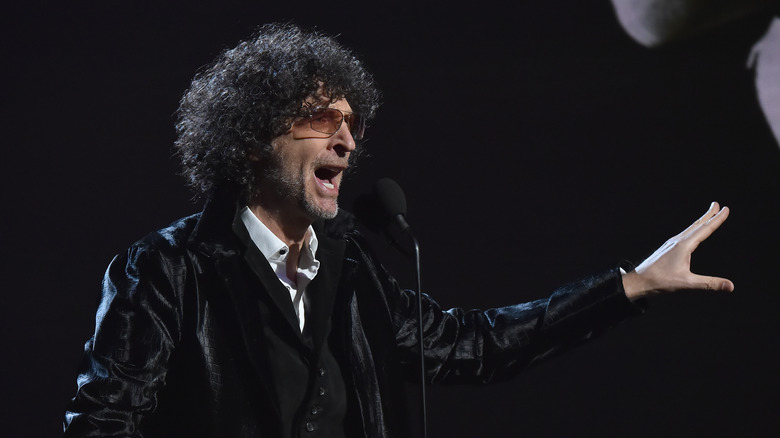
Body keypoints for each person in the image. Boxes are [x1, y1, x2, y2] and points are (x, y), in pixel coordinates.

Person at [62, 23, 734, 438]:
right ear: (248, 142)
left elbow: (475, 345)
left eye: (353, 124)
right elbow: (103, 424)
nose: (348, 141)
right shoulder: (167, 270)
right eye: (323, 119)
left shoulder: (350, 270)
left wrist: (631, 286)